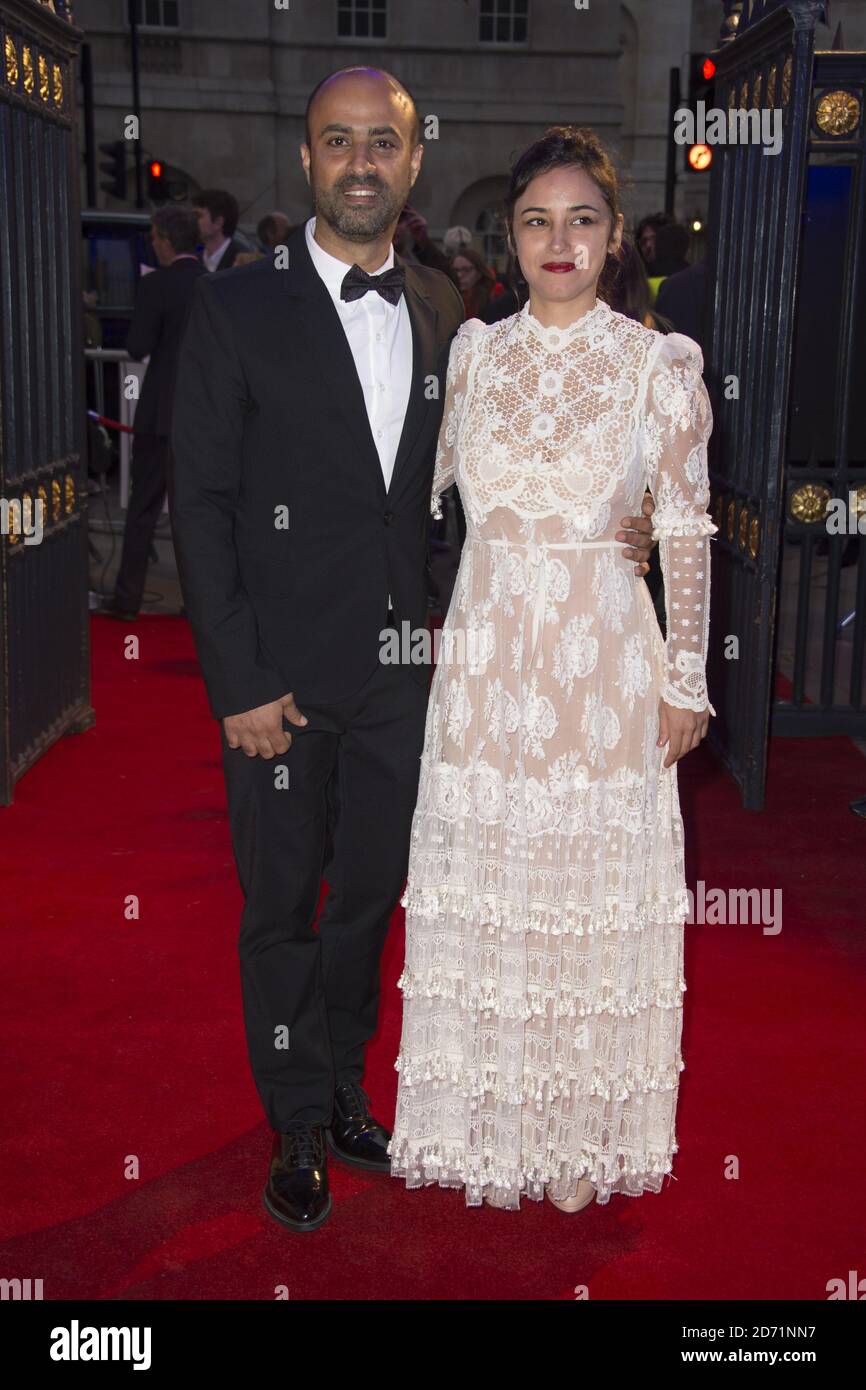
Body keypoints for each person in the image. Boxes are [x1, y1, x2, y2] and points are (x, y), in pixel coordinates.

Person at [169, 74, 656, 1236]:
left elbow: (478, 494)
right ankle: (292, 1118)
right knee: (282, 900)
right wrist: (238, 682)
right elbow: (202, 503)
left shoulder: (452, 313)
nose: (358, 163)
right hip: (277, 682)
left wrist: (616, 526)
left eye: (379, 143)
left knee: (373, 894)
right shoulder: (236, 309)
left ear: (411, 162)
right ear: (305, 161)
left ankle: (341, 1085)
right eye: (337, 143)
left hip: (410, 677)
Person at [389, 125, 717, 1213]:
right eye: (537, 220)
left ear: (614, 235)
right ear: (510, 236)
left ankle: (578, 1131)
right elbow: (419, 508)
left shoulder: (653, 365)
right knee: (492, 884)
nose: (558, 239)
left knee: (583, 895)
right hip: (483, 661)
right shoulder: (474, 353)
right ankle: (492, 1120)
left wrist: (684, 678)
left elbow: (683, 531)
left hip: (598, 668)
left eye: (582, 219)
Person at [99, 205, 203, 621]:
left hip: (160, 413)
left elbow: (137, 346)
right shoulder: (213, 283)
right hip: (201, 417)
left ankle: (127, 600)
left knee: (142, 511)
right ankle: (200, 605)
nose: (154, 243)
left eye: (156, 237)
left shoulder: (156, 284)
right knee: (197, 517)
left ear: (164, 239)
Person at [192, 189, 244, 272]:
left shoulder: (242, 261)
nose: (193, 220)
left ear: (218, 222)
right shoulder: (194, 260)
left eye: (198, 216)